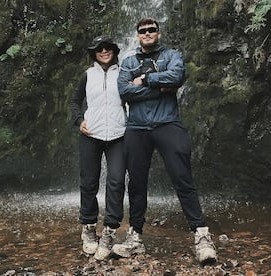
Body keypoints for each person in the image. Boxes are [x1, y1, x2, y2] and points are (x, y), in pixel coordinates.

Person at [112, 17, 217, 264]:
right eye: (142, 31)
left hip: (167, 123)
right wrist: (160, 86)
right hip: (136, 128)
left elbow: (177, 77)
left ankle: (202, 236)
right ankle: (135, 237)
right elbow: (124, 91)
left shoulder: (172, 55)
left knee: (183, 178)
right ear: (137, 35)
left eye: (151, 30)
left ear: (158, 33)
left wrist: (145, 79)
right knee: (136, 184)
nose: (147, 33)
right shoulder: (127, 62)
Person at [70, 35, 126, 261]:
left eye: (108, 48)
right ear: (94, 53)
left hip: (118, 135)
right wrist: (79, 120)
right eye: (99, 49)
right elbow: (75, 101)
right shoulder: (87, 75)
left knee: (116, 181)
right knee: (89, 181)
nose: (104, 51)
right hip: (90, 135)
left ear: (114, 51)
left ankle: (110, 231)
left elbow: (132, 99)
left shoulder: (124, 74)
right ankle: (89, 228)